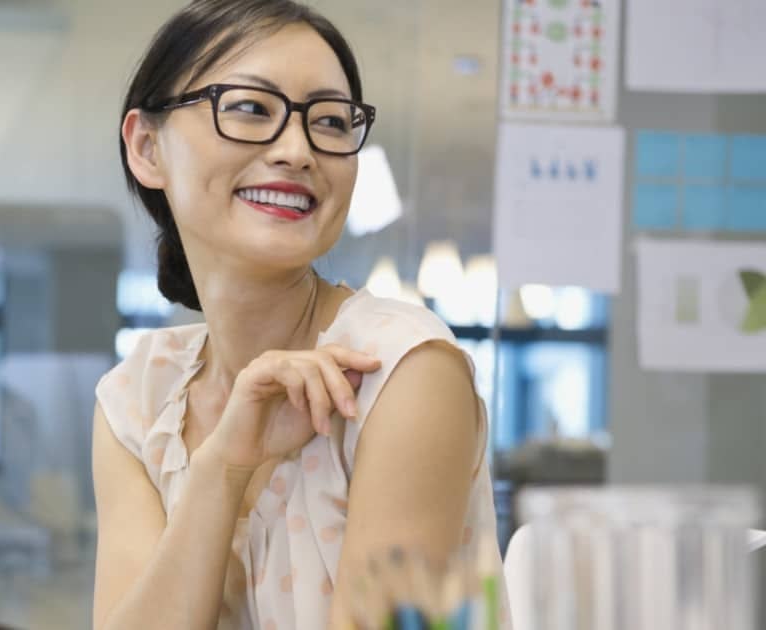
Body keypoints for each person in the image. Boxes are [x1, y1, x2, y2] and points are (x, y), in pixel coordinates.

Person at [92, 1, 507, 628]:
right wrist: (222, 467)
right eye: (252, 109)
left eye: (332, 122)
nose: (297, 149)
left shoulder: (403, 372)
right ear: (147, 147)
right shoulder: (138, 399)